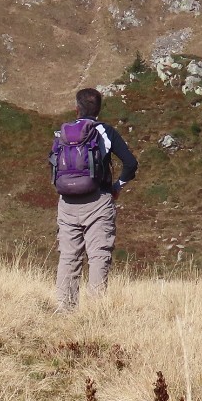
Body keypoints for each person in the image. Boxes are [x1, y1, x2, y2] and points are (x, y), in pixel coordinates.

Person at [53, 87, 138, 312]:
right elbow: (131, 163)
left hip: (67, 203)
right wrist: (117, 186)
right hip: (99, 201)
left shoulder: (63, 132)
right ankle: (94, 313)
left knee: (69, 258)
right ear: (99, 109)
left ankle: (64, 311)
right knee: (98, 256)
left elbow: (53, 163)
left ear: (76, 108)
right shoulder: (106, 131)